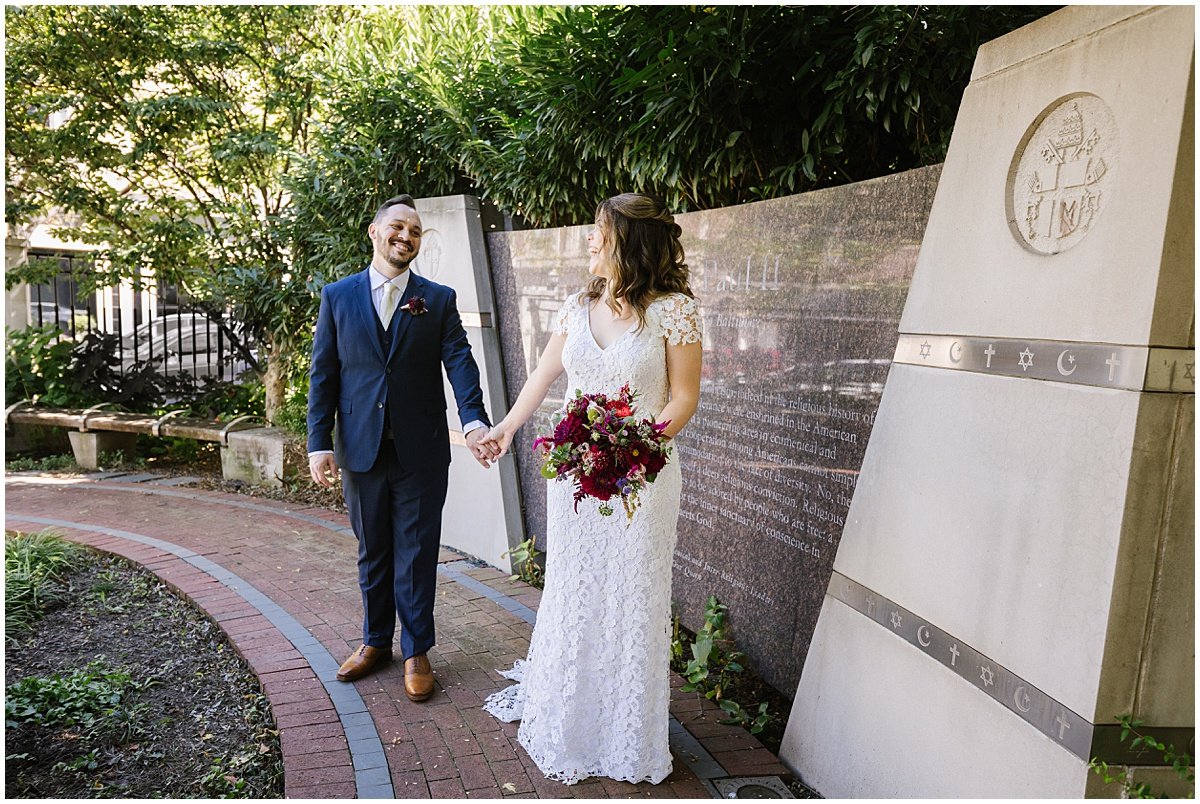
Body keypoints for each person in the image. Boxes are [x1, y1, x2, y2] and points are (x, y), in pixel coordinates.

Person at [479, 193, 703, 785]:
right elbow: (545, 376)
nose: (590, 240)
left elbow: (683, 397)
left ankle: (621, 729)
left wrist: (635, 445)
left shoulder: (673, 312)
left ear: (626, 241)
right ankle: (569, 716)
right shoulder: (578, 308)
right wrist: (504, 430)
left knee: (631, 593)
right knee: (577, 587)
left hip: (644, 480)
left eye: (599, 231)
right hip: (575, 478)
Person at [307, 194, 500, 702]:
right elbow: (324, 374)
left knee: (416, 553)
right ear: (374, 232)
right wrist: (317, 443)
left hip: (422, 450)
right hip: (360, 449)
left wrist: (475, 421)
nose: (406, 238)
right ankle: (375, 643)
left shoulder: (436, 299)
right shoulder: (338, 297)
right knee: (373, 550)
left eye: (415, 232)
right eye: (397, 227)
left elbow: (460, 363)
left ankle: (416, 651)